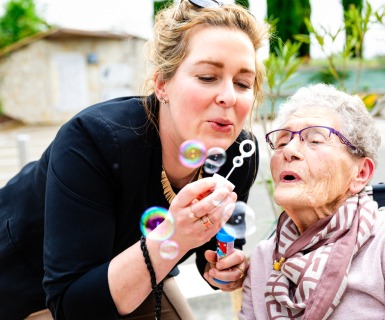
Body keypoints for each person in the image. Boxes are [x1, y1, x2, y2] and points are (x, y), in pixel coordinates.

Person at [0, 1, 269, 319]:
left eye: (242, 83)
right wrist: (175, 234)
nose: (229, 97)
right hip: (27, 292)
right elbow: (73, 305)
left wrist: (218, 267)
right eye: (208, 77)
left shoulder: (239, 155)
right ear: (162, 84)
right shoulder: (94, 139)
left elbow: (211, 247)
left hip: (135, 272)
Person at [239, 83, 385, 320]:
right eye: (282, 141)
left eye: (315, 140)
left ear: (360, 174)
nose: (289, 151)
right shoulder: (265, 257)